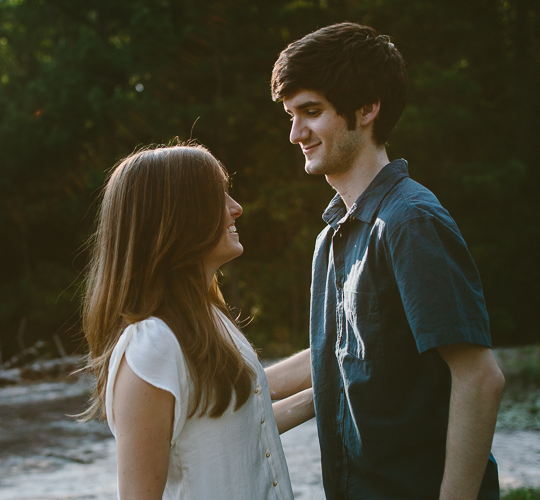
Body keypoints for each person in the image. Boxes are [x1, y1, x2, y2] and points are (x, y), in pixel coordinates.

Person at [265, 22, 506, 500]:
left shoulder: (409, 222)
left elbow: (480, 378)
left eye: (310, 112)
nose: (295, 134)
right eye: (290, 116)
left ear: (367, 109)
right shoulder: (332, 235)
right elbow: (333, 353)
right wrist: (208, 385)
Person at [79, 144, 308, 500]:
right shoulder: (151, 346)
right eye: (219, 197)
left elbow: (245, 427)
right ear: (178, 217)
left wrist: (335, 379)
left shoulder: (208, 317)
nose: (237, 208)